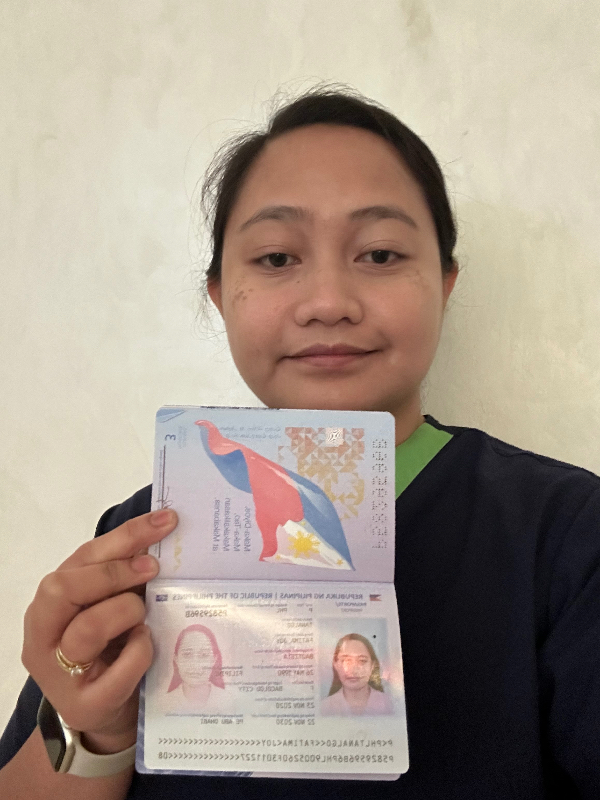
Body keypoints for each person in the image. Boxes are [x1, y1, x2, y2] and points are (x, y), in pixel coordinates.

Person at [1, 84, 599, 799]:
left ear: (444, 284)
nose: (328, 303)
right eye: (277, 258)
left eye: (380, 253)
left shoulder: (567, 533)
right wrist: (94, 729)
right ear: (219, 294)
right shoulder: (140, 534)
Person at [160, 625, 233, 714]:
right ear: (176, 659)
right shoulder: (163, 705)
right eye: (187, 654)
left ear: (214, 659)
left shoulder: (230, 702)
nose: (195, 664)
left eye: (204, 655)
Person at [320, 633, 394, 716]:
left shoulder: (390, 705)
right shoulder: (324, 708)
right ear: (335, 664)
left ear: (372, 665)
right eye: (346, 661)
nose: (354, 669)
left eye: (362, 661)